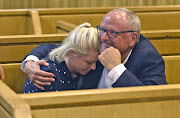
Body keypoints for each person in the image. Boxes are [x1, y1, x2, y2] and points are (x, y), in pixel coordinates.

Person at [21, 8, 167, 90]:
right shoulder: (103, 40)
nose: (103, 37)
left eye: (113, 33)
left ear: (133, 38)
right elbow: (59, 48)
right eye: (102, 29)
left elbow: (153, 98)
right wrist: (30, 62)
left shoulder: (149, 58)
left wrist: (116, 69)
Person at [23, 22, 100, 93]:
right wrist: (30, 61)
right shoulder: (46, 74)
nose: (93, 67)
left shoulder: (96, 60)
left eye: (95, 62)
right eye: (89, 62)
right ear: (71, 53)